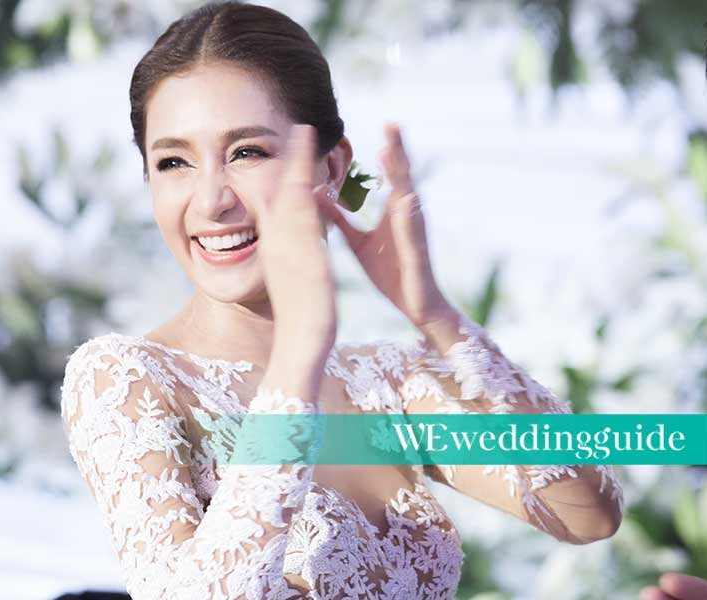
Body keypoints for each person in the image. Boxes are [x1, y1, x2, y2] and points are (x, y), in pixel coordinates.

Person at [59, 2, 624, 598]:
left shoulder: (387, 383)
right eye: (174, 162)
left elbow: (588, 512)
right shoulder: (127, 378)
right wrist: (297, 356)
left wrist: (436, 316)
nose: (211, 201)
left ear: (331, 166)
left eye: (247, 152)